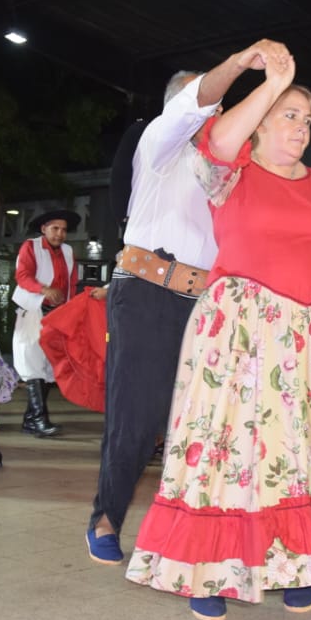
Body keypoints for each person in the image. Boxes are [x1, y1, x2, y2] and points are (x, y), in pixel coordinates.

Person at [124, 48, 311, 620]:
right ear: (260, 122)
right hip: (241, 329)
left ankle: (296, 561)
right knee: (228, 450)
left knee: (304, 452)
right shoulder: (228, 173)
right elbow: (216, 140)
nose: (300, 128)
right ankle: (207, 571)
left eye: (307, 120)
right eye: (289, 116)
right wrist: (272, 83)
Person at [85, 40, 287, 566]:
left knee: (210, 421)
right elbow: (198, 101)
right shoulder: (159, 146)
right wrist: (244, 65)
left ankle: (195, 536)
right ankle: (107, 517)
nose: (220, 115)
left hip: (211, 303)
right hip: (149, 291)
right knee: (138, 413)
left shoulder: (229, 170)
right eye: (214, 107)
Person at [11, 209, 81, 437]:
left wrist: (70, 309)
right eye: (55, 229)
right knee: (32, 360)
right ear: (44, 229)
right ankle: (39, 420)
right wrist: (44, 290)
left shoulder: (68, 251)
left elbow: (72, 282)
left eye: (63, 230)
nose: (60, 234)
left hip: (57, 314)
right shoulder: (30, 247)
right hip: (33, 309)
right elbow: (22, 276)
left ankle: (32, 419)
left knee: (50, 364)